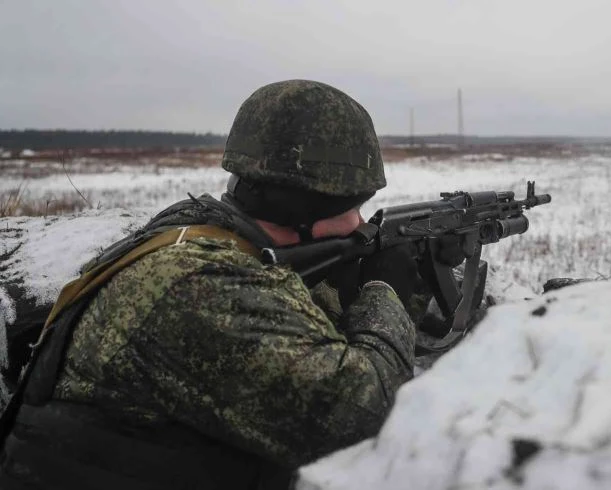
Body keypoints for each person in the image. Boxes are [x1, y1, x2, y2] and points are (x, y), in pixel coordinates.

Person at [0, 80, 420, 489]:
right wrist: (385, 291)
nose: (360, 225)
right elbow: (363, 417)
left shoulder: (200, 234)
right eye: (353, 208)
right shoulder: (199, 286)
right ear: (303, 209)